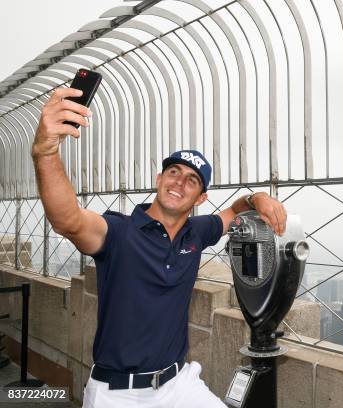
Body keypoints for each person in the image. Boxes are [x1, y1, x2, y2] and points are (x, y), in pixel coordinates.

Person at [31, 87, 288, 407]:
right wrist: (45, 151)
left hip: (179, 384)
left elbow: (235, 211)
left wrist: (256, 198)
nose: (180, 182)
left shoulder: (198, 232)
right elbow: (68, 219)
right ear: (160, 179)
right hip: (118, 393)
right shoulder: (118, 232)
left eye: (192, 180)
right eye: (174, 172)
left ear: (201, 198)